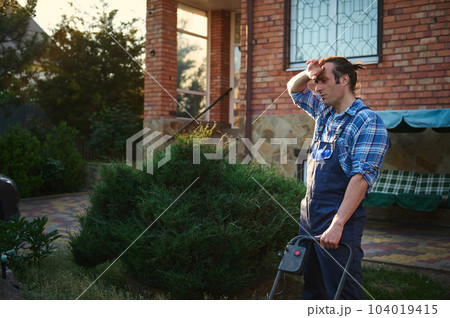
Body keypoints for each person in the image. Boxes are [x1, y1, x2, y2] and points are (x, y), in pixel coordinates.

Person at [287, 56, 389, 299]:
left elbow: (361, 179)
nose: (317, 88)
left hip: (338, 223)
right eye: (315, 82)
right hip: (309, 217)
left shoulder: (368, 122)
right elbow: (295, 90)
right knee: (313, 288)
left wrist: (337, 224)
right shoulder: (325, 113)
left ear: (344, 80)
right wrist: (308, 73)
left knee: (343, 293)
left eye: (322, 80)